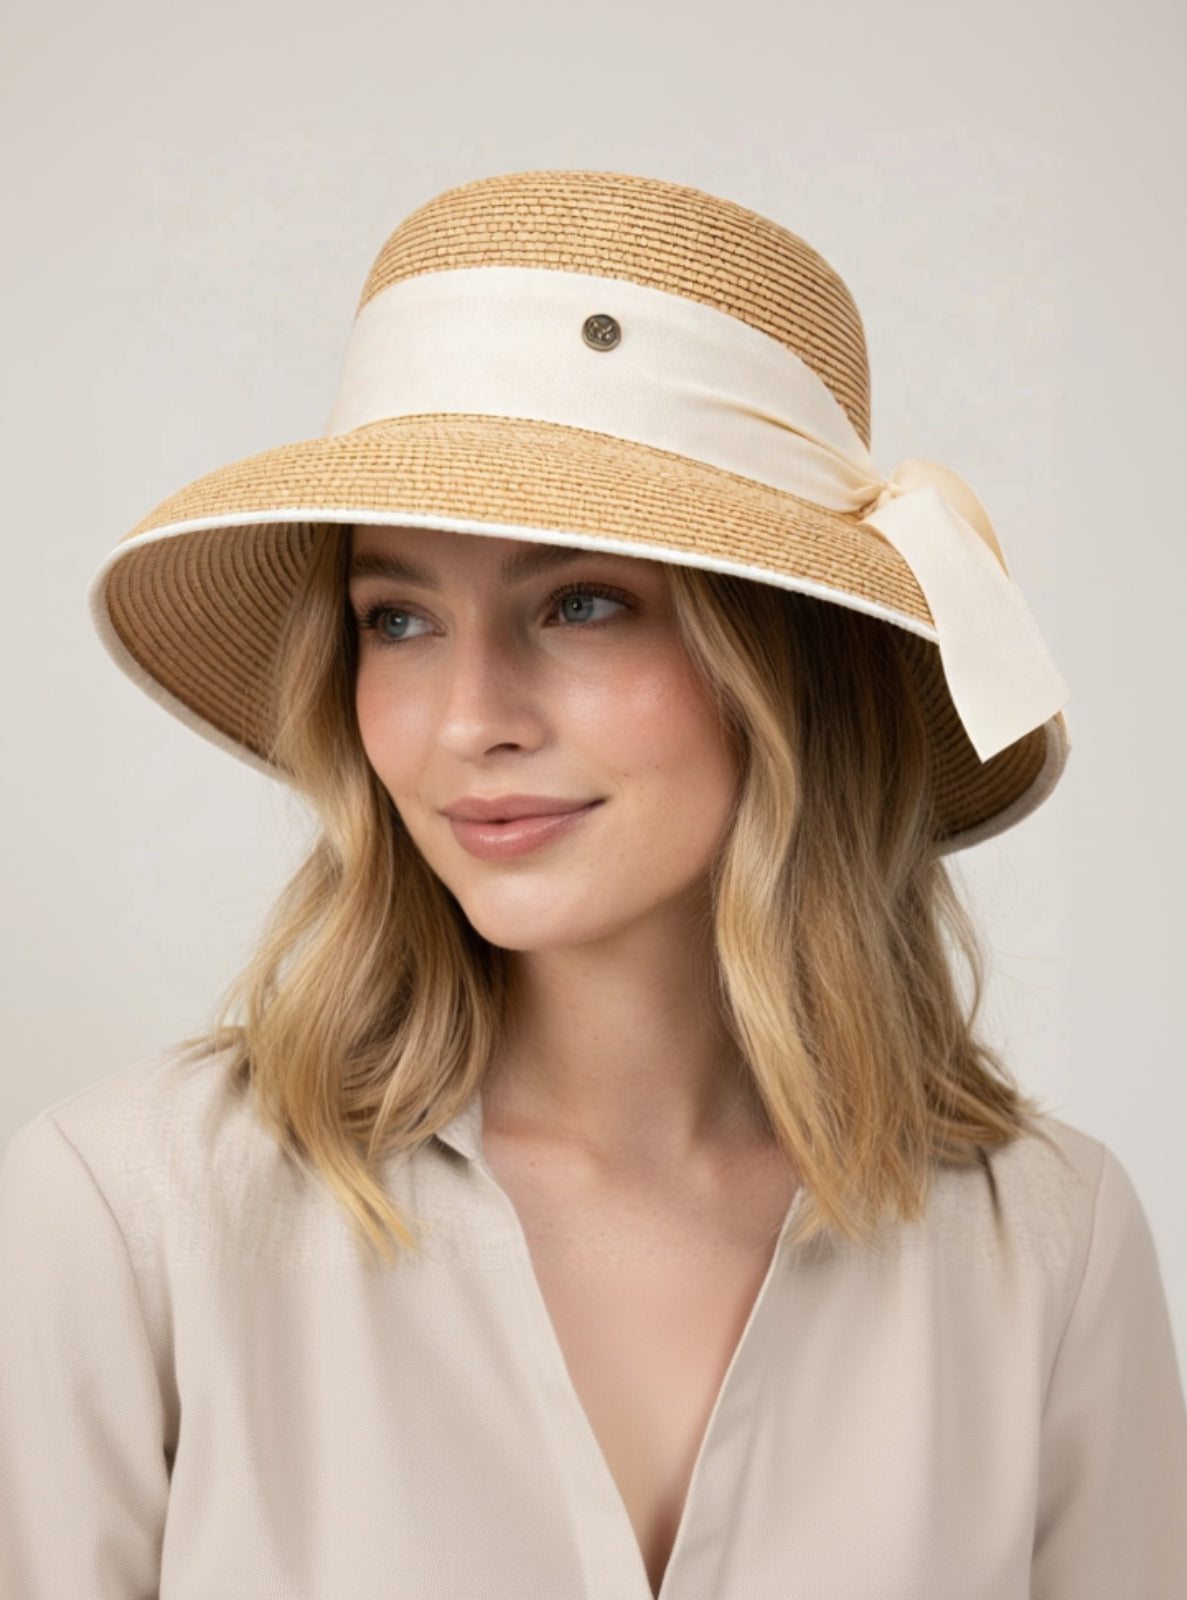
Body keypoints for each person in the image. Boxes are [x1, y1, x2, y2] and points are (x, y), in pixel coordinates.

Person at [1, 169, 1185, 1600]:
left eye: (580, 603)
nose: (467, 720)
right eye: (399, 618)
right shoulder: (127, 1213)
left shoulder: (1044, 1244)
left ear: (787, 669)